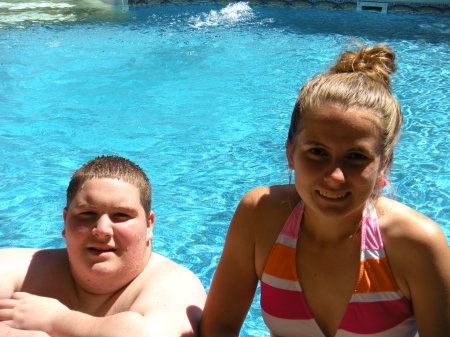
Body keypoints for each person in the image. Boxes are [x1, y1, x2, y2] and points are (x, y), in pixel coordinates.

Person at [200, 45, 450, 337]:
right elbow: (219, 327)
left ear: (383, 163)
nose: (335, 176)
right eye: (317, 152)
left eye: (357, 156)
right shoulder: (261, 216)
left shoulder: (416, 244)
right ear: (290, 152)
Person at [0, 155, 206, 337]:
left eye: (121, 215)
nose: (102, 229)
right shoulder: (28, 268)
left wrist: (57, 321)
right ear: (65, 221)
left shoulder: (174, 283)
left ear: (149, 225)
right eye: (87, 214)